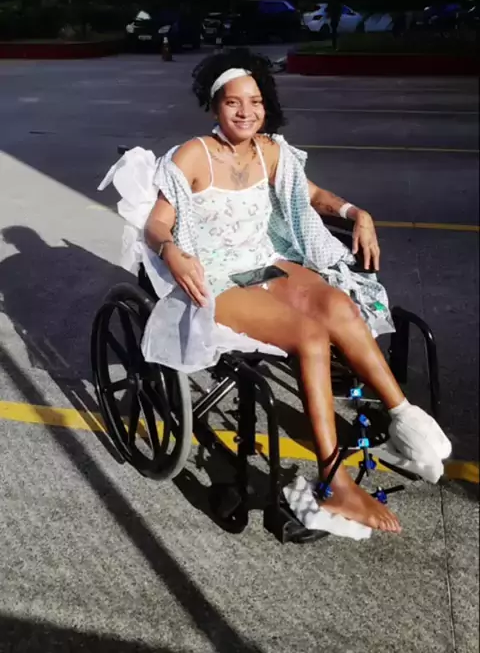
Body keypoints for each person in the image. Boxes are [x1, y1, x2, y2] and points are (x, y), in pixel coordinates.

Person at [111, 48, 451, 537]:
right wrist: (171, 251)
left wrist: (356, 213)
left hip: (268, 262)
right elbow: (158, 223)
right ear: (215, 105)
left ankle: (405, 421)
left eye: (255, 101)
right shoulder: (194, 155)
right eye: (233, 102)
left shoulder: (270, 151)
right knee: (309, 335)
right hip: (220, 276)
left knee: (339, 305)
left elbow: (313, 195)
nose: (245, 111)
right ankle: (333, 482)